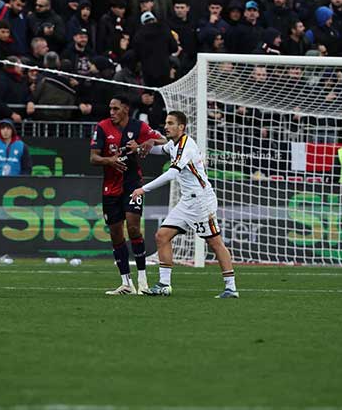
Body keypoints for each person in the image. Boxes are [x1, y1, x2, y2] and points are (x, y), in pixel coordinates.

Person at [130, 111, 239, 298]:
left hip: (201, 201)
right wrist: (139, 147)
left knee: (215, 243)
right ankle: (164, 285)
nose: (166, 127)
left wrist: (143, 189)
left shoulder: (186, 145)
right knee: (162, 236)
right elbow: (160, 150)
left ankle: (231, 288)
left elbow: (172, 174)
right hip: (187, 200)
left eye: (171, 123)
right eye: (166, 123)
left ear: (181, 127)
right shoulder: (173, 143)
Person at [89, 95, 166, 295]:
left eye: (115, 108)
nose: (112, 112)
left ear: (125, 109)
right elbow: (93, 158)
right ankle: (126, 283)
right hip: (110, 187)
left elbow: (164, 140)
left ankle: (143, 281)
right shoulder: (102, 127)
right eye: (110, 108)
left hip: (132, 184)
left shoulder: (138, 126)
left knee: (133, 228)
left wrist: (149, 141)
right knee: (116, 233)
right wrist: (109, 160)